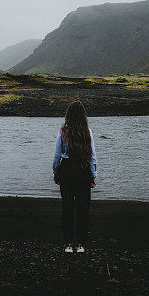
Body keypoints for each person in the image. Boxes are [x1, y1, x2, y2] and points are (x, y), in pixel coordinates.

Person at [52, 100, 97, 253]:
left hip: (66, 170)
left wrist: (55, 172)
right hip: (83, 170)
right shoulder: (87, 131)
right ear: (83, 116)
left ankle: (69, 244)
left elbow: (57, 155)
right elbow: (92, 156)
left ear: (68, 115)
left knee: (68, 208)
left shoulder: (63, 132)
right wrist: (94, 174)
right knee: (83, 209)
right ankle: (82, 245)